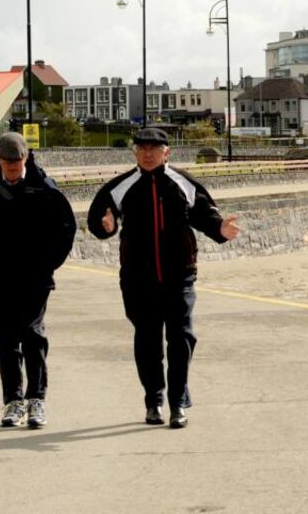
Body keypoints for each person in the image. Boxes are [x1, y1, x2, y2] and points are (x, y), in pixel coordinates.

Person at [87, 128, 240, 429]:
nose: (147, 154)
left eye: (154, 149)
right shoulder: (121, 186)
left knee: (181, 338)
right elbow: (98, 217)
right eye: (142, 148)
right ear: (135, 153)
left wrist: (220, 229)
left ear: (166, 152)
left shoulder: (182, 183)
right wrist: (105, 226)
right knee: (147, 341)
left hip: (179, 275)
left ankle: (178, 402)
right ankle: (154, 400)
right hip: (137, 278)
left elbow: (205, 215)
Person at [0, 132, 76, 428]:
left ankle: (36, 398)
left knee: (32, 334)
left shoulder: (44, 189)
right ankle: (13, 400)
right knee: (6, 339)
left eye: (17, 162)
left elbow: (65, 228)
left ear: (25, 158)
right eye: (7, 163)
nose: (12, 168)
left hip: (35, 277)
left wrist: (49, 264)